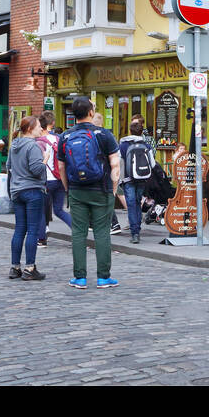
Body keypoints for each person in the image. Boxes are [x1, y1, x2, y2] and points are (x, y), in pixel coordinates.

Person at [57, 96, 122, 289]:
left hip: (77, 189)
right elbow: (115, 164)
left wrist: (68, 188)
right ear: (91, 112)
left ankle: (80, 278)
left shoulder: (65, 136)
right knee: (102, 231)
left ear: (74, 115)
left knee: (78, 232)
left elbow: (61, 167)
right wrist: (114, 188)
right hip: (101, 189)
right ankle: (103, 277)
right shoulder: (104, 134)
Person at [7, 116, 49, 281]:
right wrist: (45, 159)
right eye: (39, 126)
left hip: (17, 191)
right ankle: (30, 268)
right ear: (30, 129)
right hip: (32, 190)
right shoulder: (33, 146)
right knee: (32, 230)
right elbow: (37, 169)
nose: (41, 129)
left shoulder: (14, 145)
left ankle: (15, 267)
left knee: (19, 229)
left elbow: (9, 167)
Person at [118, 117, 153, 244]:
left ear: (130, 131)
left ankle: (135, 233)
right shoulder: (146, 145)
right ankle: (137, 228)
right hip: (142, 178)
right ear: (141, 132)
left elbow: (119, 162)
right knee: (138, 202)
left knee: (131, 205)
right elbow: (152, 164)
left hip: (128, 178)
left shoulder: (123, 145)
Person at [37, 111, 70, 242]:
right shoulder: (58, 139)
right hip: (59, 178)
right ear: (53, 123)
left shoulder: (39, 142)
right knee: (59, 210)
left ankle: (41, 239)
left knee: (40, 211)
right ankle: (78, 230)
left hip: (45, 180)